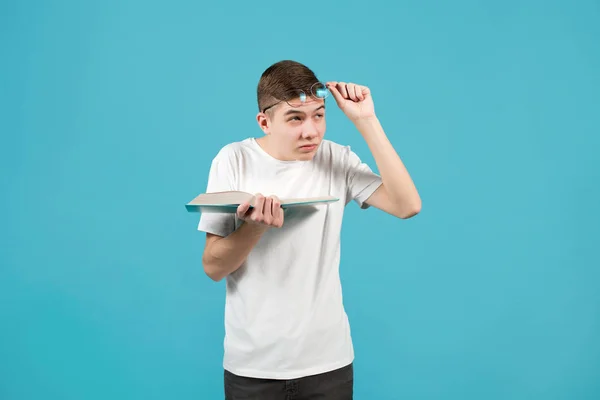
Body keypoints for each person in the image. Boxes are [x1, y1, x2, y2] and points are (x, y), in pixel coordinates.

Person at [197, 60, 421, 399]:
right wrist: (254, 229)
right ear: (264, 121)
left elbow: (407, 205)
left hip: (328, 364)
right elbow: (213, 266)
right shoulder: (232, 160)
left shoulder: (337, 159)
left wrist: (366, 121)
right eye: (295, 118)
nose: (311, 131)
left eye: (319, 115)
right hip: (252, 367)